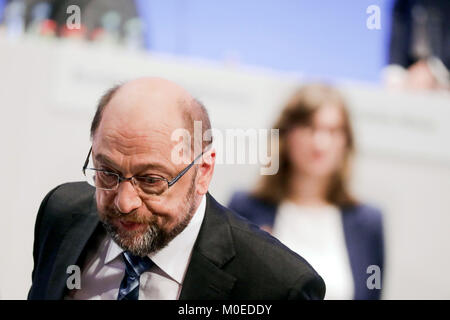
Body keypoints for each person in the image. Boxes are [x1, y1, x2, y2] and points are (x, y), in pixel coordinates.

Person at [27, 77, 325, 300]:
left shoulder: (279, 286)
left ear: (203, 172)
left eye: (151, 180)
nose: (124, 202)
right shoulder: (62, 213)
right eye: (107, 172)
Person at [229, 84, 384, 300]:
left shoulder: (368, 224)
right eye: (309, 128)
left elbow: (371, 293)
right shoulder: (246, 209)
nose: (320, 143)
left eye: (333, 131)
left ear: (346, 142)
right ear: (285, 135)